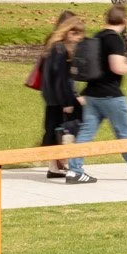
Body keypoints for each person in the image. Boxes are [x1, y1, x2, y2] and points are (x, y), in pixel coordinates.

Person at [64, 3, 127, 184]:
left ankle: (74, 170)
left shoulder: (97, 37)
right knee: (124, 134)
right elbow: (117, 67)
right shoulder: (114, 40)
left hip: (92, 95)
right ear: (124, 21)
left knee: (85, 135)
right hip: (111, 96)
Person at [37, 13, 85, 179]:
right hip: (60, 98)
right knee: (66, 131)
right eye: (76, 33)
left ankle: (57, 165)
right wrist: (67, 100)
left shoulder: (53, 45)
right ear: (68, 30)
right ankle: (61, 164)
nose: (79, 38)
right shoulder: (59, 49)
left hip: (51, 97)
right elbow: (60, 77)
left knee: (56, 130)